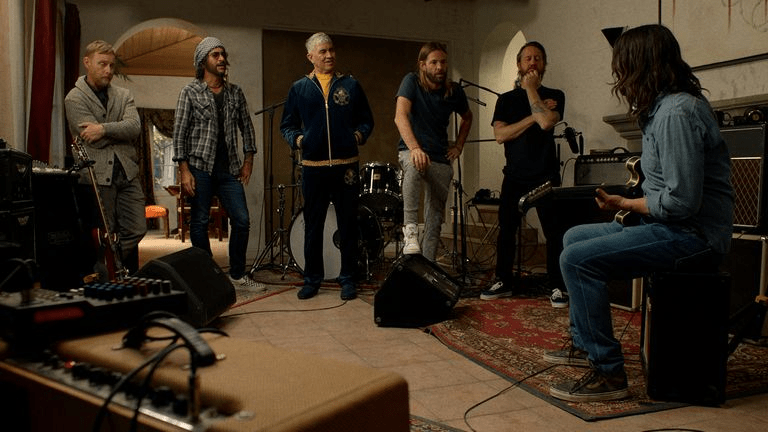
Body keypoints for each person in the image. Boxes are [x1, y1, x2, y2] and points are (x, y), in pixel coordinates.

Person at [546, 24, 733, 402]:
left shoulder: (676, 113)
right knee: (572, 237)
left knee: (577, 260)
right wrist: (629, 203)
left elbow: (682, 203)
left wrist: (627, 205)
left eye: (622, 66)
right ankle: (584, 343)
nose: (619, 76)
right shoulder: (662, 109)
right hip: (668, 225)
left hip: (693, 237)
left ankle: (609, 372)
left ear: (643, 65)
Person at [280, 32, 374, 301]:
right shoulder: (299, 88)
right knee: (313, 225)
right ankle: (312, 279)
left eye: (331, 50)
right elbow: (287, 125)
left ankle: (348, 278)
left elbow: (366, 120)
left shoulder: (351, 85)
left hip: (346, 167)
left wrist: (357, 136)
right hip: (313, 167)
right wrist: (299, 140)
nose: (329, 55)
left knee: (348, 224)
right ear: (310, 56)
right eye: (323, 51)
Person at [479, 41, 567, 308]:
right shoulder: (505, 100)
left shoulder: (556, 95)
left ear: (544, 64)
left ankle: (557, 285)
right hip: (515, 175)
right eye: (527, 58)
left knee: (554, 232)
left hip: (546, 175)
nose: (532, 62)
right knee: (507, 230)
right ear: (519, 64)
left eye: (538, 58)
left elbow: (547, 122)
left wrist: (530, 90)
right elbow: (500, 135)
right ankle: (503, 280)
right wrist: (533, 115)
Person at [173, 36, 264, 291]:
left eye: (223, 54)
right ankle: (208, 274)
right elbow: (179, 133)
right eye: (216, 55)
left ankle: (237, 275)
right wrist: (184, 170)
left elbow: (247, 128)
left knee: (242, 220)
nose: (222, 59)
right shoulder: (189, 92)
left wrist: (248, 160)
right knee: (200, 222)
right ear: (203, 61)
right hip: (199, 167)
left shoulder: (235, 93)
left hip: (229, 170)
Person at [65, 40, 145, 278]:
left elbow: (134, 128)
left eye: (111, 65)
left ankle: (106, 268)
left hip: (128, 172)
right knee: (104, 234)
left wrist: (102, 129)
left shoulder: (124, 95)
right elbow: (92, 140)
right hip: (97, 175)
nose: (108, 70)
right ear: (87, 62)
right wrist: (117, 131)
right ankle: (111, 278)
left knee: (138, 228)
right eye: (102, 64)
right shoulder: (74, 98)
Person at [394, 42, 473, 261]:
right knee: (414, 163)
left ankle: (427, 265)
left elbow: (468, 117)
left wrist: (458, 146)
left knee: (435, 217)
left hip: (439, 156)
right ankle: (410, 231)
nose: (440, 67)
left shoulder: (454, 91)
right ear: (423, 65)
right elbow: (400, 116)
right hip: (412, 150)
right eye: (434, 62)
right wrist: (415, 148)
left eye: (443, 62)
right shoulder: (411, 81)